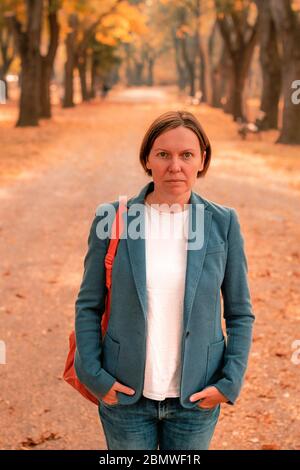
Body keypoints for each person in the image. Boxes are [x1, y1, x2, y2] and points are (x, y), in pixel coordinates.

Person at [74, 110, 255, 450]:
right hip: (125, 395)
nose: (176, 166)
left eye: (187, 155)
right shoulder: (113, 217)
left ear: (202, 160)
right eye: (163, 154)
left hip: (196, 398)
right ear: (147, 159)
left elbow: (240, 313)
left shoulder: (222, 222)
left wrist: (229, 382)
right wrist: (95, 377)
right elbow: (88, 304)